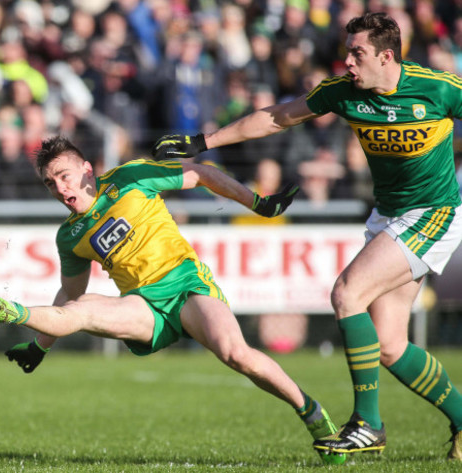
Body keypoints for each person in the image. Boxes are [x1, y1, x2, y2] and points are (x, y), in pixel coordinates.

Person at [151, 11, 462, 462]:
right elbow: (277, 116)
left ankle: (367, 425)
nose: (348, 62)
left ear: (386, 56)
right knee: (391, 346)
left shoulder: (438, 87)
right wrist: (203, 142)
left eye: (357, 53)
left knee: (347, 293)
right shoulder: (340, 92)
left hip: (434, 213)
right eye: (347, 51)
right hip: (390, 215)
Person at [0, 135, 340, 461]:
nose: (59, 188)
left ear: (87, 169)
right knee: (80, 309)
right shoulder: (70, 235)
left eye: (64, 176)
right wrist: (40, 347)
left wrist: (258, 204)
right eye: (50, 183)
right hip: (143, 307)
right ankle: (12, 312)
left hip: (187, 286)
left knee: (234, 353)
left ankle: (312, 413)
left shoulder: (130, 177)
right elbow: (71, 293)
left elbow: (199, 173)